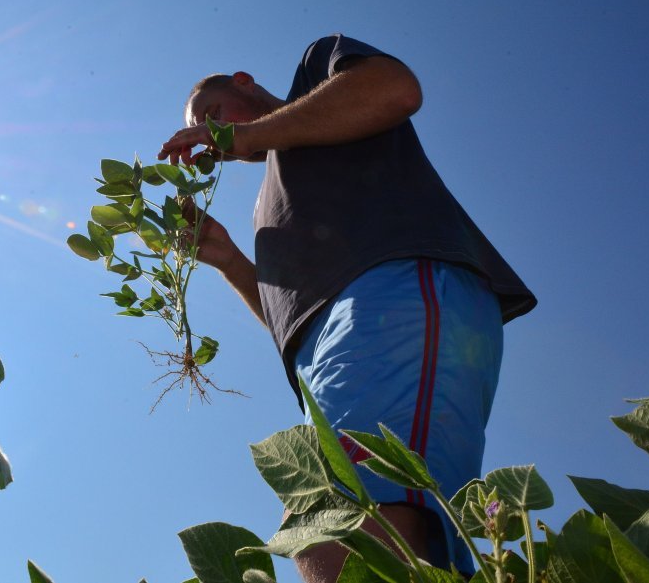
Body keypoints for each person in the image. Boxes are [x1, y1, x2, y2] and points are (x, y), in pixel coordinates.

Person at [158, 34, 536, 580]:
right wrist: (227, 259)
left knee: (344, 524)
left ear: (244, 81)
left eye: (213, 114)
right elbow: (291, 320)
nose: (210, 138)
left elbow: (395, 89)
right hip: (322, 355)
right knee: (327, 523)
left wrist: (243, 133)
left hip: (394, 291)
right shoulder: (268, 202)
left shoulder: (319, 74)